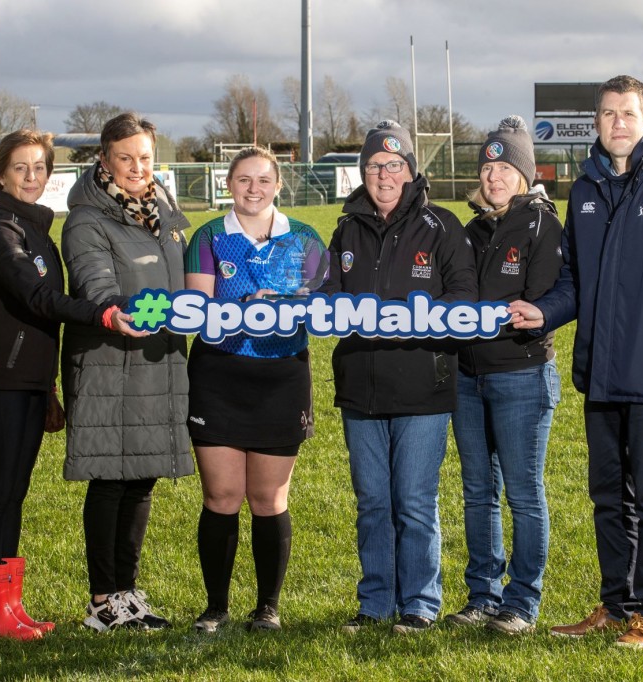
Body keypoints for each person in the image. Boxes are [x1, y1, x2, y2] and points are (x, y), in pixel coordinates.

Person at [510, 75, 643, 649]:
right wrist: (543, 312)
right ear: (598, 123)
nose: (618, 124)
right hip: (601, 375)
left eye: (628, 114)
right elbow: (575, 281)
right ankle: (615, 604)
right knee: (609, 496)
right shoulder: (585, 190)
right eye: (608, 114)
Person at [0, 129, 144, 640]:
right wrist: (103, 314)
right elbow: (37, 299)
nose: (31, 177)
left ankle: (8, 607)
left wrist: (47, 389)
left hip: (28, 378)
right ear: (1, 173)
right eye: (20, 167)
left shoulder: (33, 226)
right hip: (0, 377)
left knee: (14, 493)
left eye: (39, 167)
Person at [320, 120, 478, 635]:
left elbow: (464, 301)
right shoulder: (346, 229)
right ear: (362, 173)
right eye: (373, 167)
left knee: (413, 502)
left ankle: (419, 603)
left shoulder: (442, 226)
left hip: (422, 388)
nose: (383, 175)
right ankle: (376, 603)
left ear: (410, 171)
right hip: (360, 387)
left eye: (393, 166)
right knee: (373, 503)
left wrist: (416, 316)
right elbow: (327, 298)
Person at [60, 112, 194, 633]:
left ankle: (127, 593)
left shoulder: (163, 206)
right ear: (104, 159)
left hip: (160, 365)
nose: (137, 167)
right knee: (111, 481)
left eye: (144, 157)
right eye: (125, 158)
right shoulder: (87, 220)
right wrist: (116, 310)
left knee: (142, 479)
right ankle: (101, 600)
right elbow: (95, 286)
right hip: (110, 366)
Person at [184, 146, 326, 633]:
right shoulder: (207, 236)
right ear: (228, 185)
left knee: (268, 498)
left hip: (281, 374)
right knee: (221, 495)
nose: (253, 188)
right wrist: (245, 305)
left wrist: (285, 301)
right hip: (219, 374)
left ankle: (268, 607)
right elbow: (198, 309)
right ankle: (215, 607)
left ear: (278, 185)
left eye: (263, 180)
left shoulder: (305, 238)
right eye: (243, 180)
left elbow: (321, 299)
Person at [446, 116, 563, 635]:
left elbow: (533, 300)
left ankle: (523, 601)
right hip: (468, 376)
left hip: (521, 375)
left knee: (523, 492)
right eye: (488, 168)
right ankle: (482, 595)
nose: (494, 177)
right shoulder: (469, 229)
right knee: (477, 491)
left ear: (524, 173)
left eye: (505, 168)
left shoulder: (542, 225)